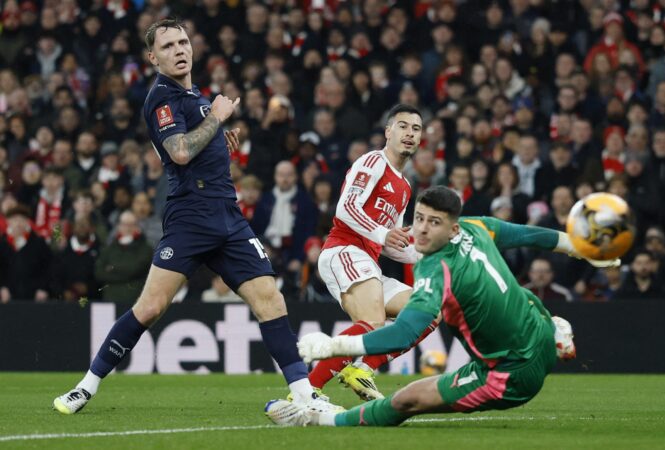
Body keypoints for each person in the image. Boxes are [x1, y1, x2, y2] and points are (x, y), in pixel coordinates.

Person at [53, 18, 340, 417]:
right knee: (151, 308)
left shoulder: (195, 96)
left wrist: (218, 139)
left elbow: (195, 142)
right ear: (153, 58)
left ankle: (304, 393)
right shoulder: (162, 98)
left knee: (270, 300)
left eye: (183, 42)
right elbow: (180, 152)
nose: (179, 50)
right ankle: (85, 387)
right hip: (191, 217)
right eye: (168, 46)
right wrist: (217, 120)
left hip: (228, 216)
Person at [265, 186, 619, 426]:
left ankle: (316, 418)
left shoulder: (437, 273)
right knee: (517, 292)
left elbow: (403, 331)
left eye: (433, 223)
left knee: (405, 401)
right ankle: (555, 332)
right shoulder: (476, 227)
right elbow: (528, 234)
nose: (420, 230)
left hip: (508, 376)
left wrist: (333, 345)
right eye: (418, 218)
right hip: (536, 332)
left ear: (451, 228)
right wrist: (578, 246)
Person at [310, 104, 434, 402]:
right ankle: (306, 390)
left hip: (368, 261)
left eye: (416, 129)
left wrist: (430, 257)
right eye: (403, 126)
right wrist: (383, 234)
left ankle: (363, 368)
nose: (410, 133)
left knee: (429, 310)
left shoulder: (404, 186)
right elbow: (346, 207)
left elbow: (394, 244)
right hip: (344, 250)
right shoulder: (373, 162)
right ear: (388, 132)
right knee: (373, 320)